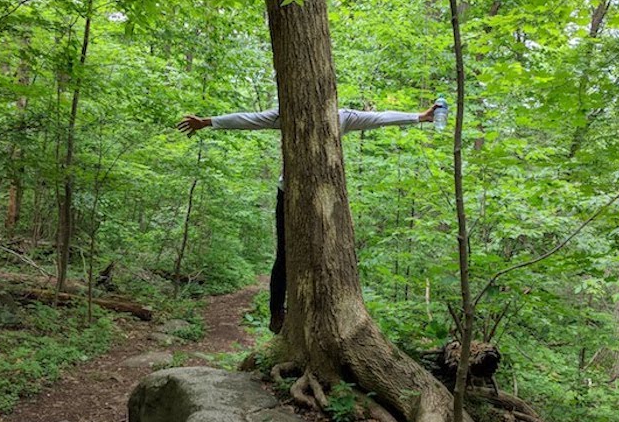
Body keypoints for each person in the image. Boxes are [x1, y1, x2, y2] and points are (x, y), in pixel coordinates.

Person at [177, 103, 438, 333]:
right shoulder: (286, 115)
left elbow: (379, 118)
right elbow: (249, 119)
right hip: (288, 195)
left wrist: (419, 117)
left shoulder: (341, 117)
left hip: (325, 196)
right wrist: (207, 122)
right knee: (285, 255)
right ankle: (277, 311)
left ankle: (325, 310)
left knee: (327, 251)